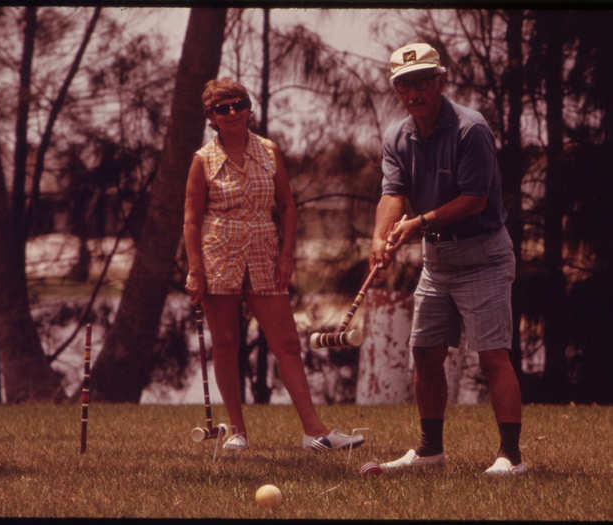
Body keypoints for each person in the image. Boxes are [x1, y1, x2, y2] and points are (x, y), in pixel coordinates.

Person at [183, 78, 364, 452]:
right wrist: (195, 269)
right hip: (219, 254)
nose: (232, 113)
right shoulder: (203, 160)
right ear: (211, 118)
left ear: (249, 109)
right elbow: (191, 219)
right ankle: (237, 431)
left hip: (265, 253)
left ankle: (315, 431)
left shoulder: (269, 151)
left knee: (286, 343)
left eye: (238, 104)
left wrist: (286, 256)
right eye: (222, 108)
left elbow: (287, 207)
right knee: (226, 345)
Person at [370, 43, 526, 475]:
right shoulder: (397, 136)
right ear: (397, 90)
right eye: (404, 84)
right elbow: (392, 194)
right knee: (424, 351)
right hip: (438, 260)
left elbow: (475, 201)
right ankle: (429, 451)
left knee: (493, 354)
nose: (413, 91)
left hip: (484, 256)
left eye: (421, 81)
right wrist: (380, 237)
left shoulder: (470, 129)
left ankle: (510, 457)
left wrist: (416, 224)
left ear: (440, 81)